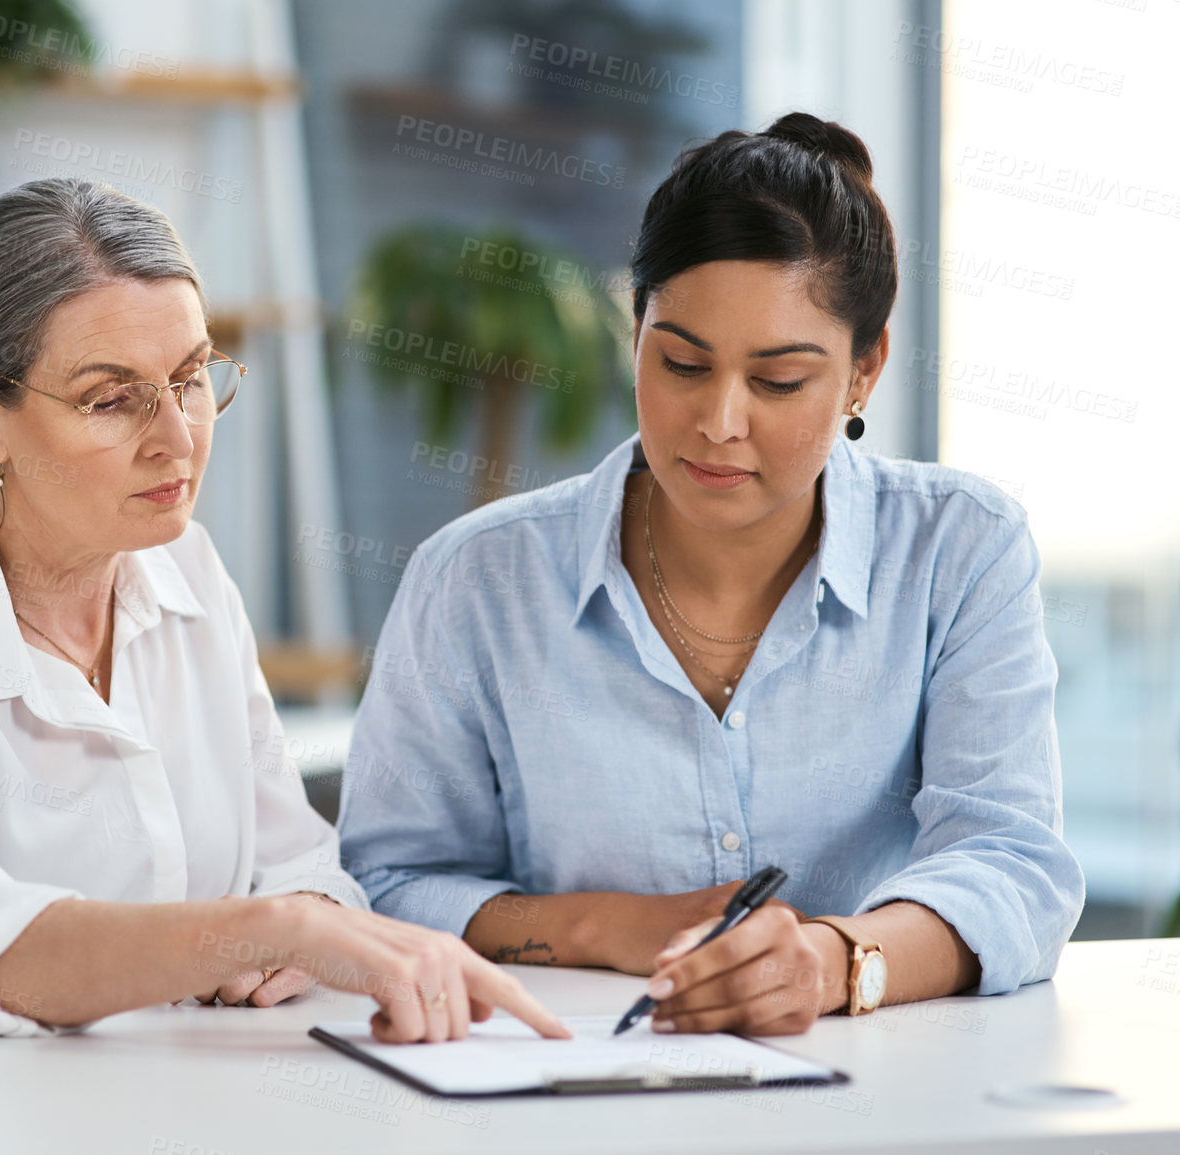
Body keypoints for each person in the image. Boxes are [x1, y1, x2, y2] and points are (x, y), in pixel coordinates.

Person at [337, 114, 1085, 1036]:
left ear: (864, 371)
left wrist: (834, 960)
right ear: (635, 327)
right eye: (682, 362)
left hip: (889, 1097)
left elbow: (1011, 863)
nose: (719, 421)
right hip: (567, 1094)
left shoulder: (959, 549)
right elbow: (386, 886)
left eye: (777, 381)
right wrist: (604, 924)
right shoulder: (474, 579)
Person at [0, 177, 566, 1045]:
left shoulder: (187, 573)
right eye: (110, 399)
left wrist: (298, 916)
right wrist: (263, 931)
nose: (178, 437)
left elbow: (298, 859)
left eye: (191, 378)